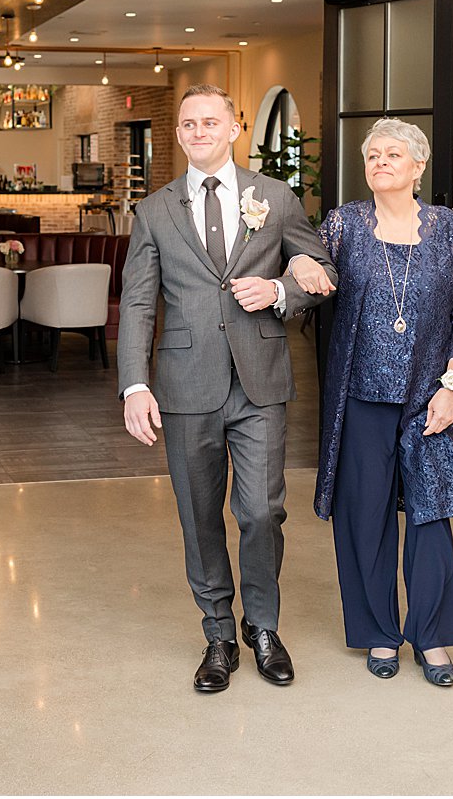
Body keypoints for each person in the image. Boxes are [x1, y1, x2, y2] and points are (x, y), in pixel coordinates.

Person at [118, 83, 338, 694]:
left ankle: (262, 626)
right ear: (179, 134)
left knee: (263, 511)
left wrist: (280, 294)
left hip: (260, 379)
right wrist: (135, 385)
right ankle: (218, 632)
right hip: (185, 385)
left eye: (209, 121)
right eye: (188, 124)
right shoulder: (154, 211)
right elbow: (137, 302)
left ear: (234, 127)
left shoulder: (275, 197)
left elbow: (322, 271)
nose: (198, 131)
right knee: (199, 515)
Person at [289, 117, 453, 686]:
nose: (379, 163)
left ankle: (432, 638)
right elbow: (310, 274)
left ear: (418, 166)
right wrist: (300, 264)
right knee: (364, 517)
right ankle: (378, 632)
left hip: (430, 397)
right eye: (372, 155)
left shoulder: (448, 229)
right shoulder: (345, 223)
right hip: (360, 398)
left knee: (430, 515)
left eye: (393, 155)